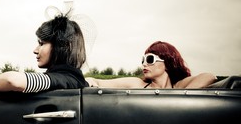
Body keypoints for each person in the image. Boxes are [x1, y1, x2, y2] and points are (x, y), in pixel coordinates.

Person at [0, 4, 89, 92]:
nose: (35, 50)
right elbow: (95, 82)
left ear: (60, 46)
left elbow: (12, 80)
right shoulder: (75, 79)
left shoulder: (61, 79)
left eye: (41, 44)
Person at [86, 41, 217, 89]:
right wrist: (90, 80)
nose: (144, 64)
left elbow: (209, 76)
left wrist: (182, 94)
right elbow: (97, 81)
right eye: (143, 60)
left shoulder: (178, 87)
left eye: (149, 59)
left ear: (167, 62)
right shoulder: (138, 84)